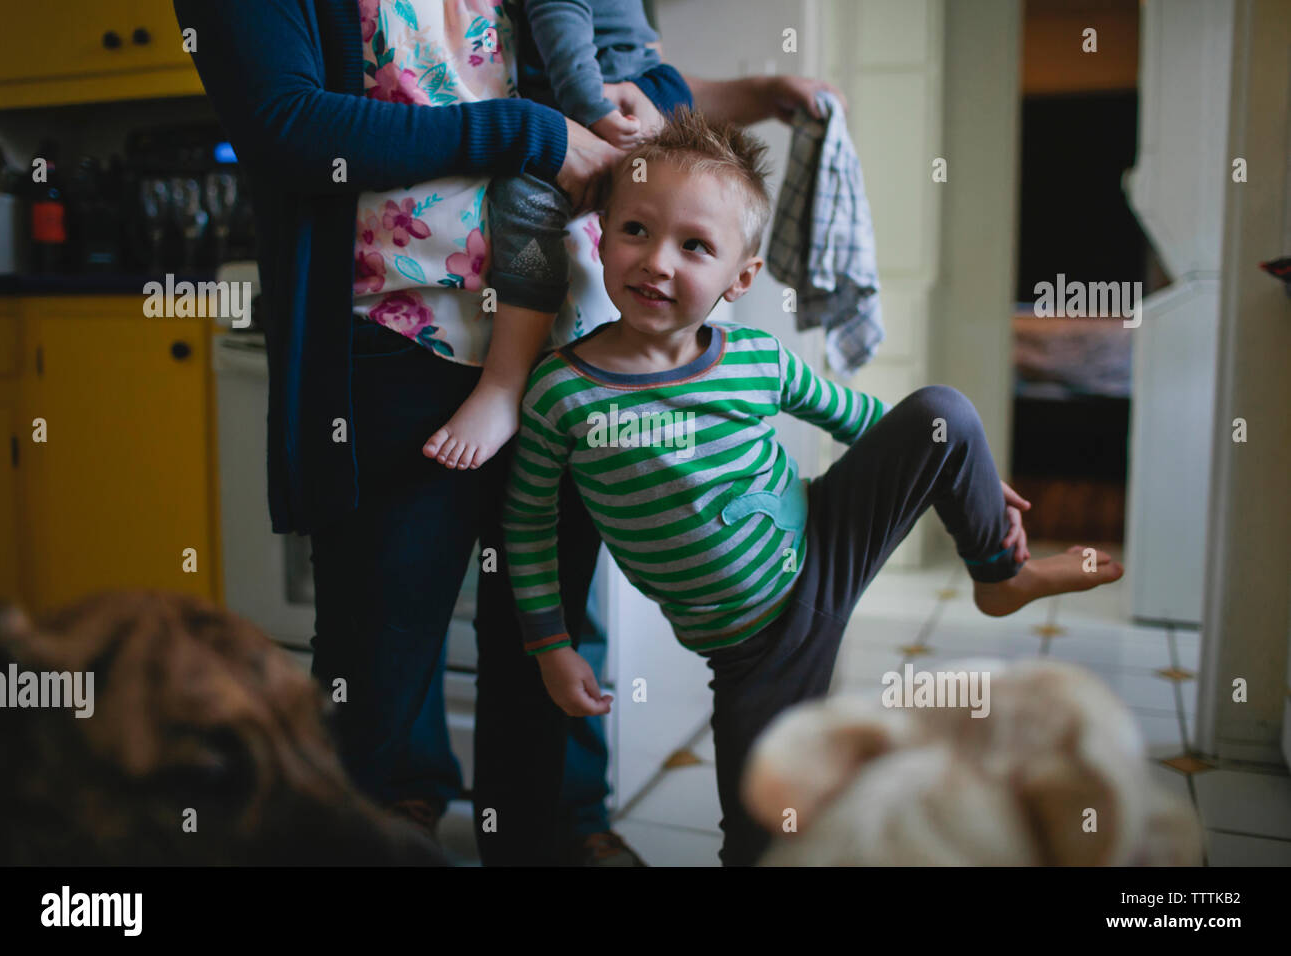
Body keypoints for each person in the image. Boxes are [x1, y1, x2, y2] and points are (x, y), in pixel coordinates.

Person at [174, 0, 846, 866]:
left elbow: (629, 71)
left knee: (548, 627)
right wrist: (528, 131)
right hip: (391, 333)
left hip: (565, 341)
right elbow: (286, 123)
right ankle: (367, 834)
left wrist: (670, 98)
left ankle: (546, 840)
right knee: (378, 646)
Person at [504, 106, 1126, 866]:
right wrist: (550, 645)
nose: (657, 261)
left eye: (694, 246)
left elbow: (860, 416)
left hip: (824, 538)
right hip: (755, 649)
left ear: (741, 278)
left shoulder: (756, 360)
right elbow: (529, 525)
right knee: (761, 831)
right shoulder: (561, 394)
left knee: (942, 413)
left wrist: (969, 473)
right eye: (637, 230)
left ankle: (1003, 577)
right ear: (601, 234)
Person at [422, 0, 686, 471]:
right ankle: (511, 385)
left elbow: (607, 38)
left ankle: (515, 382)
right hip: (615, 113)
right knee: (535, 205)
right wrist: (608, 112)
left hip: (621, 119)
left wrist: (619, 108)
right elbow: (574, 28)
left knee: (530, 201)